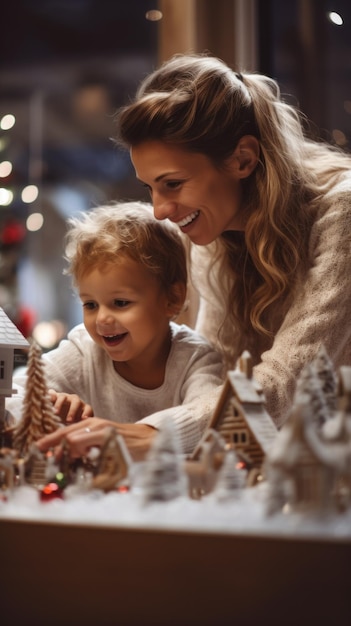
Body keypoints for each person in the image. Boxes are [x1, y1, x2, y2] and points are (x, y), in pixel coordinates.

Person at [114, 52, 351, 428]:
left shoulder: (342, 210)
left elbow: (286, 380)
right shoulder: (217, 231)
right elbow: (218, 368)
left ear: (243, 159)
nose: (159, 211)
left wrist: (157, 433)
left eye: (172, 184)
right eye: (150, 188)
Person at [6, 201, 224, 460]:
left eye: (120, 303)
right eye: (90, 304)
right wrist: (48, 404)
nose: (102, 319)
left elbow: (210, 415)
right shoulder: (85, 350)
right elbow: (15, 392)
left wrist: (144, 433)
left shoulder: (196, 358)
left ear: (172, 299)